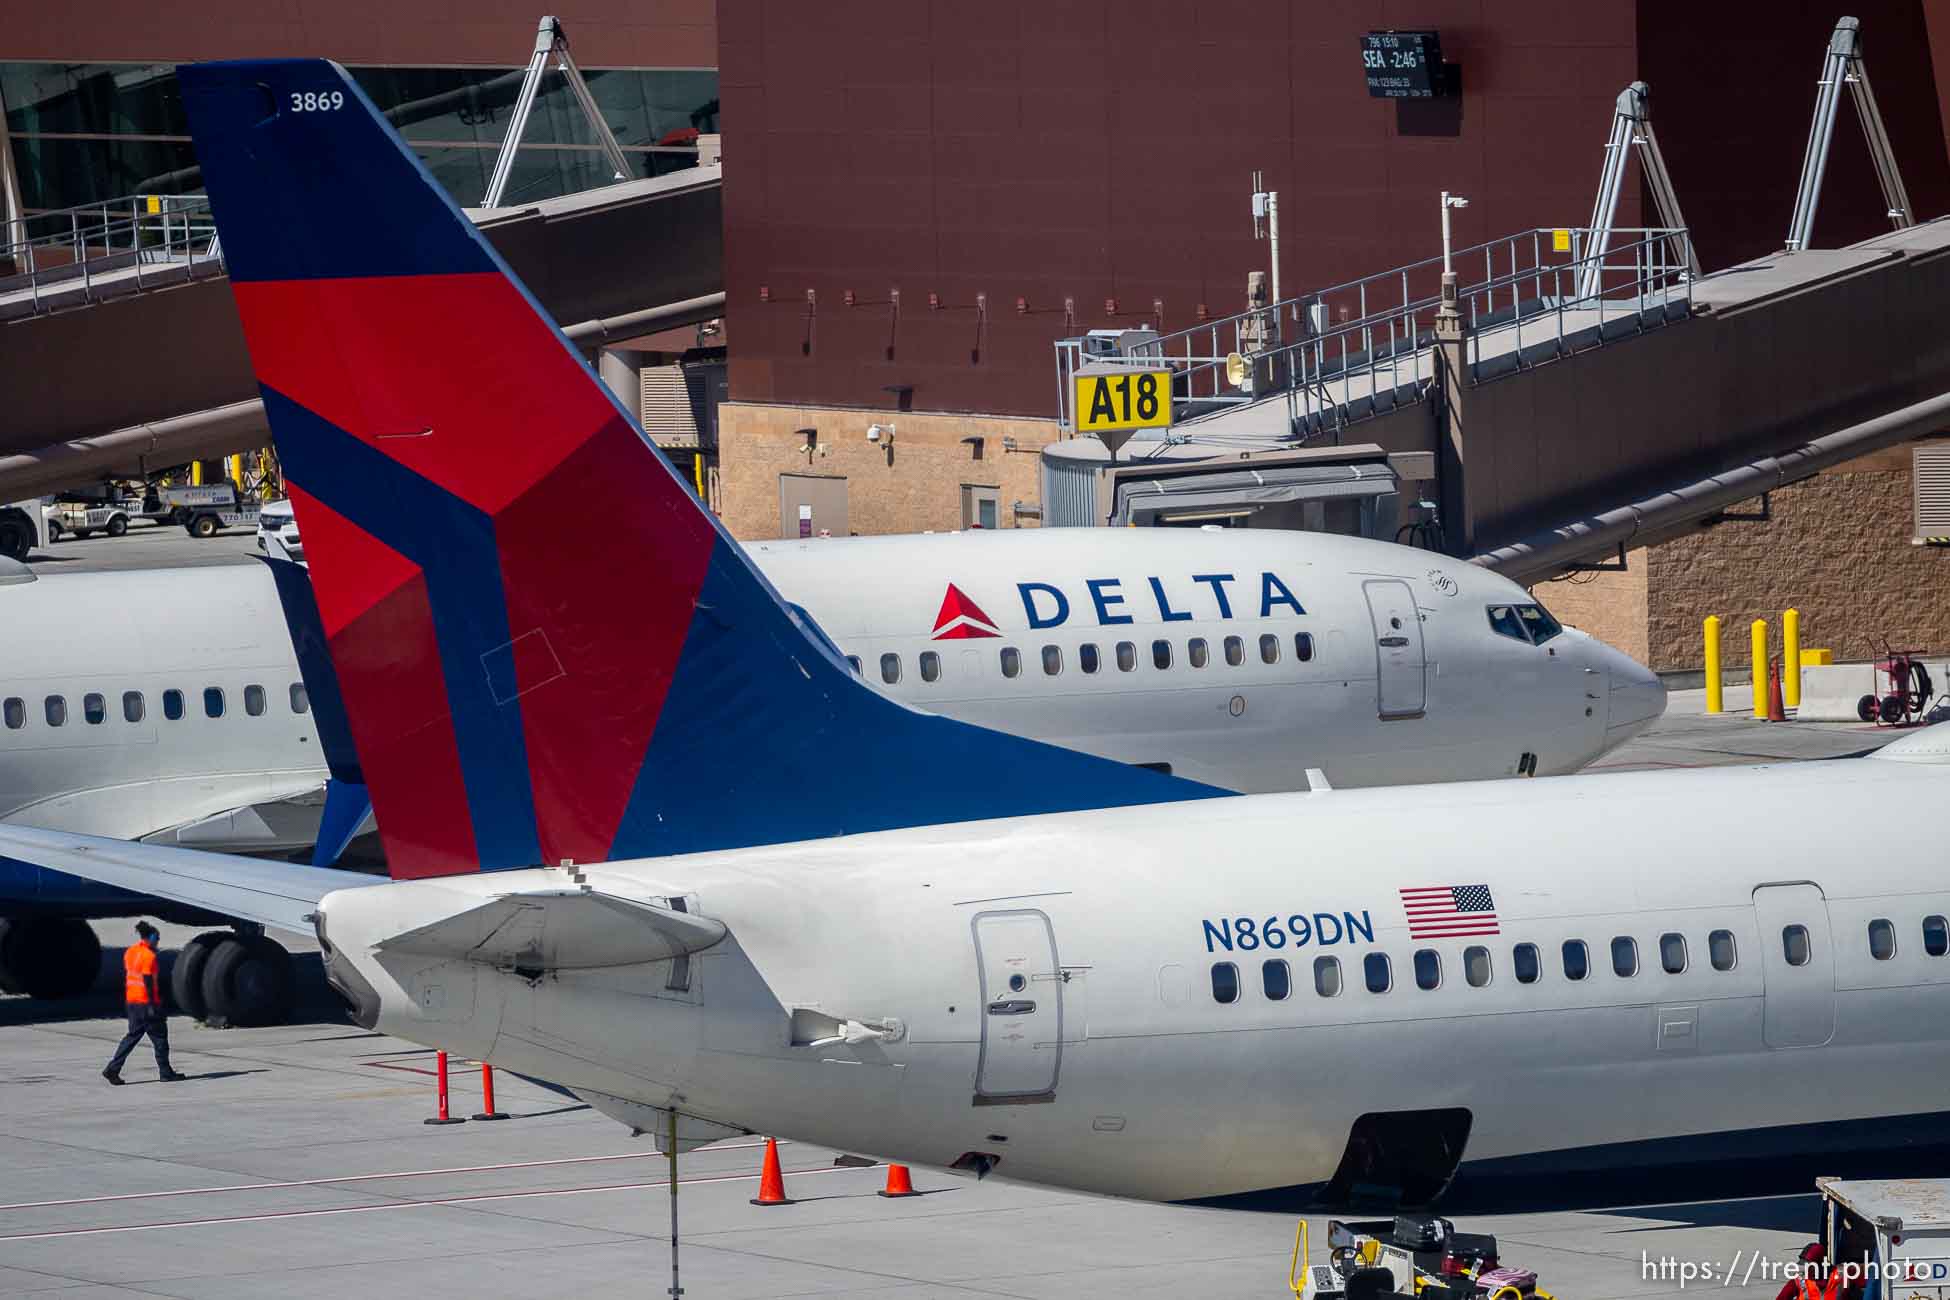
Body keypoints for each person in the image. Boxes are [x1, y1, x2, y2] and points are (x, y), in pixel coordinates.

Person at [102, 922, 185, 1084]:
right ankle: (165, 1072)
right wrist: (153, 1005)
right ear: (152, 937)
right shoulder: (149, 956)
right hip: (147, 1003)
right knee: (160, 1038)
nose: (158, 941)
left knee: (132, 1036)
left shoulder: (131, 952)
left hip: (132, 1002)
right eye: (157, 938)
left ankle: (113, 1068)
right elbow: (147, 981)